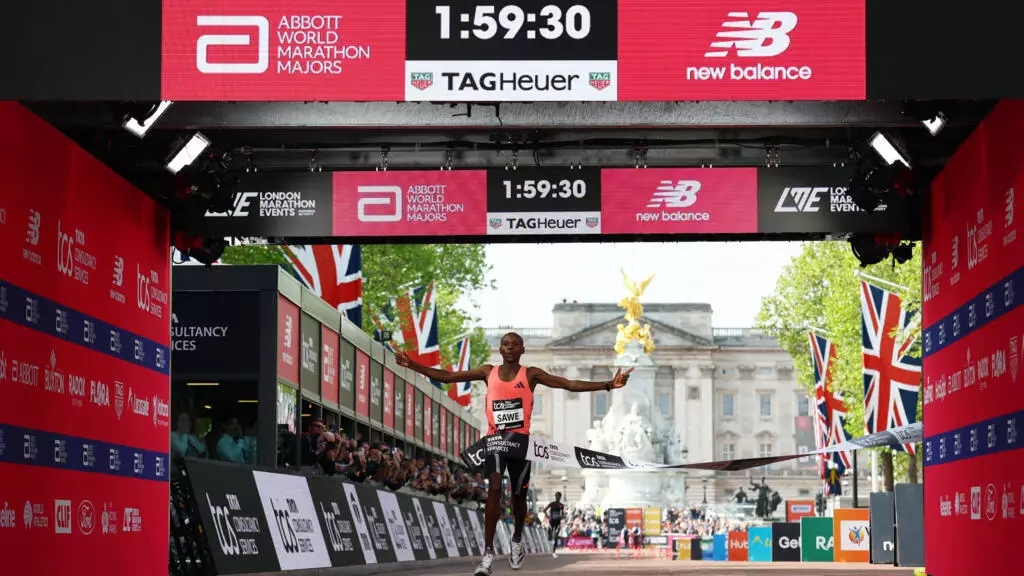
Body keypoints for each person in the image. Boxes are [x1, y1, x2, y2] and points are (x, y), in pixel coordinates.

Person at [397, 332, 633, 575]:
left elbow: (568, 384)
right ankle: (487, 554)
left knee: (519, 495)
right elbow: (447, 377)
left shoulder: (531, 374)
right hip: (496, 441)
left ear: (522, 349)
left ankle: (517, 538)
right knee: (495, 488)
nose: (509, 348)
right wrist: (412, 364)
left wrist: (607, 385)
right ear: (500, 349)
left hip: (521, 444)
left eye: (514, 345)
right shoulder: (488, 372)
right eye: (505, 344)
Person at [543, 492, 566, 558]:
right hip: (551, 521)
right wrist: (547, 516)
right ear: (555, 496)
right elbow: (544, 510)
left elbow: (563, 514)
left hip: (558, 522)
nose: (557, 497)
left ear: (560, 497)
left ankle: (554, 552)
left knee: (556, 537)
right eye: (556, 496)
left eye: (558, 496)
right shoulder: (552, 504)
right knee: (550, 535)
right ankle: (549, 535)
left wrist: (562, 516)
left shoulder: (561, 505)